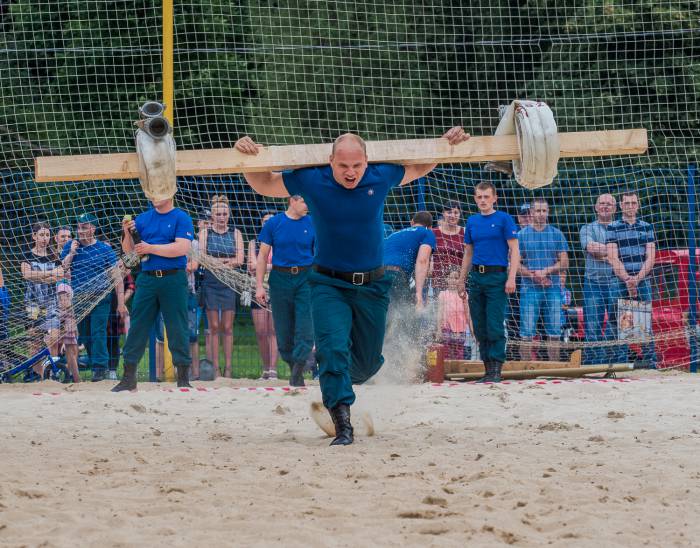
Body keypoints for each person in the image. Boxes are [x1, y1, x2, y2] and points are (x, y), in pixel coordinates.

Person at [235, 125, 469, 445]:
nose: (350, 173)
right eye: (343, 166)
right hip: (327, 283)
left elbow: (418, 166)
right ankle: (343, 425)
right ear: (331, 161)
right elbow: (265, 183)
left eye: (357, 166)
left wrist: (445, 145)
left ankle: (338, 377)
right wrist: (251, 157)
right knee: (332, 349)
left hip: (373, 285)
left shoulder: (381, 175)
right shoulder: (311, 179)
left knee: (368, 362)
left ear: (366, 161)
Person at [112, 196, 195, 391]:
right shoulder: (142, 219)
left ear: (169, 193)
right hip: (147, 278)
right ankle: (128, 378)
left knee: (177, 326)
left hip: (173, 278)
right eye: (153, 193)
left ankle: (183, 378)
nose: (155, 197)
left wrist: (151, 248)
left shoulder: (181, 217)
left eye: (159, 193)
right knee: (138, 326)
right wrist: (126, 233)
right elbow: (130, 252)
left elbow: (182, 248)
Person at [457, 182, 519, 382]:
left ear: (494, 198)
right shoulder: (472, 221)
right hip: (476, 277)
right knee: (479, 325)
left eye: (486, 197)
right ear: (475, 198)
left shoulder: (504, 219)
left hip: (497, 277)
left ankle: (496, 370)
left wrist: (511, 277)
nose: (482, 200)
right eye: (479, 197)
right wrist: (461, 280)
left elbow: (515, 251)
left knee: (494, 324)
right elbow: (468, 253)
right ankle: (486, 369)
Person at [255, 196, 316, 387]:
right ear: (293, 200)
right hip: (280, 278)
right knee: (283, 331)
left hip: (306, 277)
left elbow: (320, 253)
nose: (308, 205)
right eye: (305, 201)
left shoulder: (313, 222)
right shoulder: (274, 223)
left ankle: (298, 369)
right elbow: (263, 256)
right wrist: (259, 286)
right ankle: (296, 372)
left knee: (305, 328)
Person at [61, 213, 126, 381]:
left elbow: (117, 277)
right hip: (80, 298)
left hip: (100, 298)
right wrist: (72, 252)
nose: (80, 231)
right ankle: (94, 362)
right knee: (85, 335)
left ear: (93, 229)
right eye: (78, 227)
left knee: (98, 332)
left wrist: (120, 303)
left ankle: (100, 368)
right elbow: (63, 268)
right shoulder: (70, 245)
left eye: (84, 227)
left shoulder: (104, 249)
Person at [606, 192, 657, 368]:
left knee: (645, 323)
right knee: (617, 323)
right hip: (619, 280)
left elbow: (651, 257)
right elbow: (612, 257)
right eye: (626, 203)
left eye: (633, 203)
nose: (630, 206)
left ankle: (651, 364)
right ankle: (618, 365)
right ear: (621, 205)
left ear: (638, 205)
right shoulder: (612, 227)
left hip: (643, 280)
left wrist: (637, 279)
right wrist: (628, 279)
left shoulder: (647, 227)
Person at [517, 199, 569, 362]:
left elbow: (565, 262)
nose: (541, 214)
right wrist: (534, 276)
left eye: (544, 211)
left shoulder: (556, 234)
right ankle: (525, 368)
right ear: (531, 213)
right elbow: (514, 265)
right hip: (529, 288)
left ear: (548, 212)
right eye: (537, 211)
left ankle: (554, 367)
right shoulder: (521, 235)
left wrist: (545, 271)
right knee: (527, 332)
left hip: (552, 288)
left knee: (554, 331)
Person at [198, 195, 244, 378]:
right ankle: (215, 368)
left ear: (229, 215)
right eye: (218, 214)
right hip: (210, 283)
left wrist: (217, 262)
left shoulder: (236, 233)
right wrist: (226, 262)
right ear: (212, 216)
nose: (222, 217)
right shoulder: (204, 234)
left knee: (228, 327)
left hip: (229, 283)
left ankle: (228, 369)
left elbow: (240, 260)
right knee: (214, 326)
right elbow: (202, 258)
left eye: (225, 214)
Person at [580, 194, 623, 365]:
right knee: (592, 327)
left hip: (617, 282)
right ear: (596, 207)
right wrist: (614, 253)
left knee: (618, 326)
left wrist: (605, 253)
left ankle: (618, 362)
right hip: (593, 283)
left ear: (615, 208)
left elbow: (623, 251)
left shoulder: (621, 229)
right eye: (602, 203)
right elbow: (591, 248)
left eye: (609, 204)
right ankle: (593, 364)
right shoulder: (587, 228)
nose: (605, 206)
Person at [21, 222, 64, 374]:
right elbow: (26, 274)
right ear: (34, 236)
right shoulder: (27, 255)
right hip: (32, 303)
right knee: (35, 340)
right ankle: (36, 376)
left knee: (54, 336)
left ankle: (51, 373)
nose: (45, 238)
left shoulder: (54, 256)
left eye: (47, 235)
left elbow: (59, 274)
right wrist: (48, 275)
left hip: (52, 302)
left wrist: (39, 276)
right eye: (41, 235)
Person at [248, 211, 280, 380]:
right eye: (265, 221)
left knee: (274, 330)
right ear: (261, 223)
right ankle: (265, 368)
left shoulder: (281, 241)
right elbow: (251, 266)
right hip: (259, 287)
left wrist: (263, 265)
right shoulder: (254, 242)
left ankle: (273, 369)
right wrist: (270, 266)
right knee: (261, 330)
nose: (268, 223)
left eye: (271, 220)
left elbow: (280, 264)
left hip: (276, 287)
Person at [383, 211, 436, 311]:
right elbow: (422, 261)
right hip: (396, 275)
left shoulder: (394, 234)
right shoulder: (427, 233)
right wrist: (419, 294)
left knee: (385, 314)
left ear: (412, 222)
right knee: (404, 314)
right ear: (430, 227)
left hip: (377, 274)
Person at [506, 203, 532, 343]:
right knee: (514, 317)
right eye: (524, 215)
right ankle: (512, 351)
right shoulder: (512, 234)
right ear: (518, 217)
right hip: (516, 281)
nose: (527, 218)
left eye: (529, 214)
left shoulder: (543, 233)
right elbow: (508, 264)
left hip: (537, 283)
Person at [437, 269, 474, 360]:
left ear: (460, 280)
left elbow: (468, 313)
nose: (453, 280)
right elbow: (439, 313)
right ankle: (446, 371)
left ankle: (457, 371)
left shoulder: (464, 294)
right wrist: (438, 330)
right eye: (451, 278)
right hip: (447, 328)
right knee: (446, 353)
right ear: (446, 279)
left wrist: (472, 330)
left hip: (460, 330)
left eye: (456, 278)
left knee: (459, 354)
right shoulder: (442, 294)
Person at [107, 259, 134, 379]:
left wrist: (122, 302)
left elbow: (131, 287)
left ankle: (112, 370)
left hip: (116, 310)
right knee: (100, 339)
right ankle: (100, 368)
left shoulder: (121, 268)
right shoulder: (100, 271)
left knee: (114, 340)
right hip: (103, 308)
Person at [49, 282, 80, 383]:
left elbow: (74, 331)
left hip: (69, 340)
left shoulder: (71, 312)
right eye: (60, 299)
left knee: (72, 352)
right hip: (58, 339)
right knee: (53, 346)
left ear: (70, 298)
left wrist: (67, 342)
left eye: (65, 298)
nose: (63, 301)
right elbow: (54, 328)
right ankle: (53, 374)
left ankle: (75, 377)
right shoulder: (55, 312)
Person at [431, 200, 465, 293]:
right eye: (449, 212)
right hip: (437, 281)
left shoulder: (465, 232)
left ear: (460, 214)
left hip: (458, 283)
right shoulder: (433, 232)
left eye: (456, 212)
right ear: (443, 213)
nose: (452, 215)